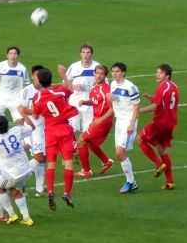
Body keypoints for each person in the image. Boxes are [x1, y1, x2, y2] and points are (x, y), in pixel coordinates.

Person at [19, 67, 78, 211]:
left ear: (39, 80)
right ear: (51, 79)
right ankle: (67, 193)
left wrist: (25, 111)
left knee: (51, 164)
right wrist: (63, 75)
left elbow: (36, 115)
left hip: (50, 131)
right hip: (64, 129)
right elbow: (71, 90)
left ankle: (50, 190)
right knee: (68, 163)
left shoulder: (37, 97)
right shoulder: (60, 90)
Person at [0, 115, 36, 226]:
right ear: (7, 125)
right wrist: (24, 114)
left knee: (0, 187)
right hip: (26, 169)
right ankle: (27, 218)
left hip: (13, 174)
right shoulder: (16, 130)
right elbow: (32, 127)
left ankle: (11, 214)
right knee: (15, 191)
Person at [138, 64, 179, 190]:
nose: (157, 75)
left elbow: (155, 107)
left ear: (167, 76)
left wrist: (138, 111)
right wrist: (154, 99)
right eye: (157, 72)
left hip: (160, 122)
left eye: (161, 73)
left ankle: (159, 164)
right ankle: (169, 182)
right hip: (170, 123)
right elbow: (167, 102)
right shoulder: (174, 86)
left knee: (140, 139)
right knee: (162, 149)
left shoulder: (162, 87)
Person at [105, 63, 140, 193]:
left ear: (123, 72)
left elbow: (137, 106)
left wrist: (131, 124)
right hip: (119, 121)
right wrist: (111, 98)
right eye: (113, 71)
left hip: (128, 121)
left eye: (117, 71)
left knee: (119, 152)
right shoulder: (113, 84)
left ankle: (130, 181)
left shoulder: (130, 87)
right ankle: (132, 182)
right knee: (121, 153)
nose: (114, 73)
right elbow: (115, 102)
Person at [74, 64, 114, 177]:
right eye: (97, 73)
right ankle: (106, 161)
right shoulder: (95, 86)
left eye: (101, 74)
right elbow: (95, 101)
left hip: (102, 122)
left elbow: (113, 108)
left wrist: (100, 120)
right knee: (91, 143)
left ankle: (86, 171)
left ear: (105, 76)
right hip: (97, 120)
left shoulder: (106, 90)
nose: (99, 76)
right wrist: (85, 102)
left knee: (81, 142)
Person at [58, 44, 103, 135]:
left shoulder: (98, 67)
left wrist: (95, 89)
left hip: (90, 106)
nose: (85, 55)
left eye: (88, 52)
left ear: (91, 54)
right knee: (71, 131)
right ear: (80, 54)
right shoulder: (74, 67)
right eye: (83, 52)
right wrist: (73, 86)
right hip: (75, 104)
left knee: (87, 133)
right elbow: (64, 84)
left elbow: (104, 84)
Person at [21, 65, 46, 197]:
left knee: (44, 158)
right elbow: (22, 109)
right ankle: (19, 180)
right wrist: (35, 112)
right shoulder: (27, 91)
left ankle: (39, 190)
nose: (39, 77)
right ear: (32, 76)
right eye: (36, 75)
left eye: (41, 75)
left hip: (45, 128)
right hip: (33, 129)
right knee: (38, 157)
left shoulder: (46, 89)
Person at [0, 46, 30, 124]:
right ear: (7, 55)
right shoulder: (0, 66)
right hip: (1, 99)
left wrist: (26, 100)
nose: (12, 56)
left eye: (15, 54)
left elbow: (27, 85)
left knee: (20, 121)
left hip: (16, 100)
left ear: (18, 56)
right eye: (10, 53)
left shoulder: (22, 69)